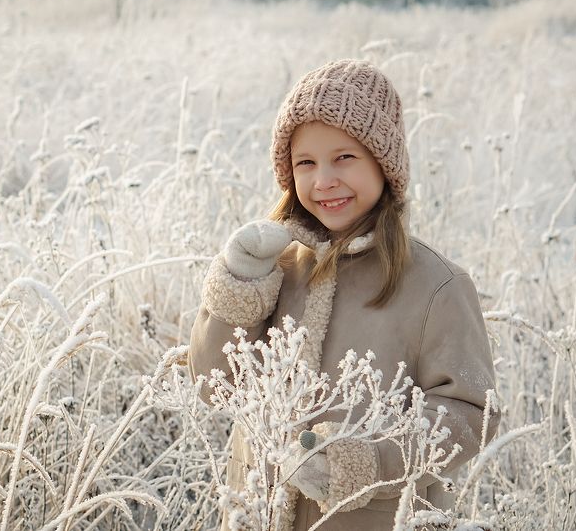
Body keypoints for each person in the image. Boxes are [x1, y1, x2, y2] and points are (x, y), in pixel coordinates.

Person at [187, 59, 501, 530]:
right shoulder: (278, 267)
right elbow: (215, 386)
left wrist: (367, 461)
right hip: (257, 515)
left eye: (345, 158)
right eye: (305, 163)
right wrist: (240, 279)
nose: (323, 180)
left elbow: (470, 415)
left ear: (384, 162)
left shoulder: (436, 287)